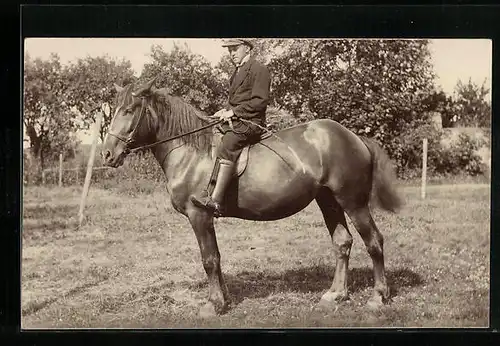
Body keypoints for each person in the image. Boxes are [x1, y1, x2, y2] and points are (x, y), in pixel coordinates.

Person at [190, 38, 271, 216]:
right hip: (239, 120)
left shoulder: (259, 69)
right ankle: (208, 189)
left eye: (235, 49)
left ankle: (217, 200)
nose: (231, 53)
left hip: (253, 122)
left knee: (229, 142)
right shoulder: (236, 73)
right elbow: (237, 102)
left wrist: (233, 113)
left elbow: (259, 101)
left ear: (247, 48)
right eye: (229, 50)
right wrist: (225, 111)